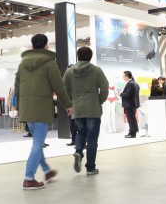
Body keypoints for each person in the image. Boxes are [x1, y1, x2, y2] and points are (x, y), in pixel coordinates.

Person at [14, 34, 72, 190]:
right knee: (38, 143)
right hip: (41, 108)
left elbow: (17, 88)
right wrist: (68, 104)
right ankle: (29, 179)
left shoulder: (22, 63)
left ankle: (47, 171)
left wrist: (19, 107)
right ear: (46, 46)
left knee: (37, 142)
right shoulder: (49, 63)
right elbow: (58, 86)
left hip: (27, 108)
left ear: (32, 46)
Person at [63, 46, 109, 176]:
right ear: (91, 57)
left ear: (78, 56)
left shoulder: (69, 71)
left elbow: (64, 89)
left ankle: (78, 151)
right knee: (92, 139)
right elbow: (104, 88)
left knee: (80, 133)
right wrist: (99, 100)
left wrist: (70, 103)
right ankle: (90, 168)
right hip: (93, 108)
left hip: (77, 108)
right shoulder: (96, 70)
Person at [120, 71, 140, 138]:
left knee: (130, 119)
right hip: (133, 104)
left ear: (127, 76)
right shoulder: (135, 83)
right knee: (132, 118)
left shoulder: (130, 83)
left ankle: (132, 133)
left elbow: (128, 94)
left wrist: (121, 94)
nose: (123, 77)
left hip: (129, 104)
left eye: (123, 76)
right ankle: (134, 130)